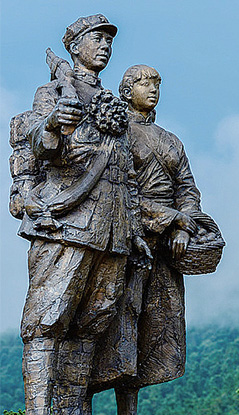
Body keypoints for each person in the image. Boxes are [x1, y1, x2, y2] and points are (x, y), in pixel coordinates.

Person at [15, 14, 150, 415]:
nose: (105, 45)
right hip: (67, 223)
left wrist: (134, 229)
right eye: (97, 38)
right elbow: (39, 143)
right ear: (75, 47)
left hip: (114, 229)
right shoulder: (52, 91)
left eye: (109, 40)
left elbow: (126, 170)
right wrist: (53, 123)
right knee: (46, 322)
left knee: (91, 326)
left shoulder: (112, 103)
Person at [87, 64, 203, 414]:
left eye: (156, 83)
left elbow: (188, 190)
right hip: (125, 240)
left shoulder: (171, 140)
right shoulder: (116, 134)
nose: (152, 89)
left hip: (165, 248)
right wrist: (171, 218)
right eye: (144, 83)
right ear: (126, 91)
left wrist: (183, 227)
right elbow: (120, 189)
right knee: (113, 325)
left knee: (153, 328)